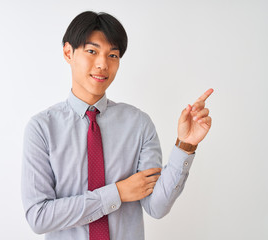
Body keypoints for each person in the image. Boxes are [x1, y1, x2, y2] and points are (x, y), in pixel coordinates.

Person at [21, 11, 213, 240]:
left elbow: (157, 207)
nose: (103, 64)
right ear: (68, 52)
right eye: (92, 51)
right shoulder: (42, 128)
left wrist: (186, 145)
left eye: (113, 55)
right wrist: (117, 193)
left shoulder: (138, 124)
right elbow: (39, 216)